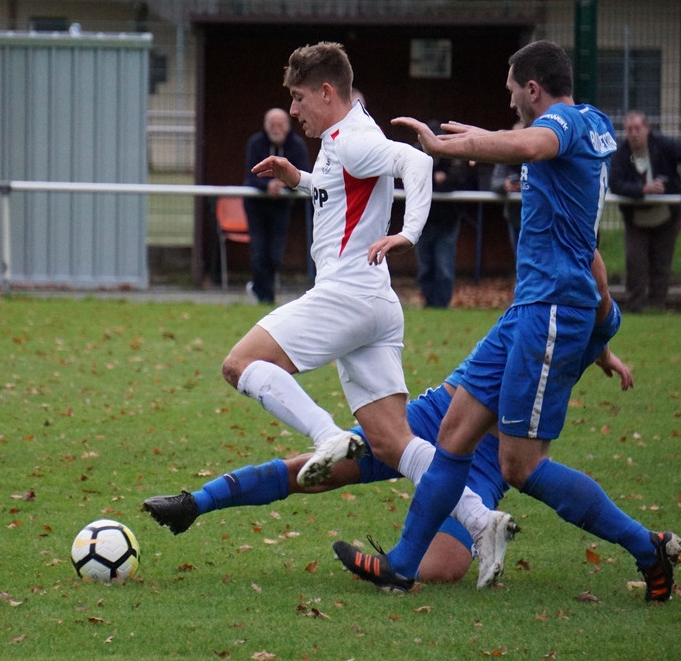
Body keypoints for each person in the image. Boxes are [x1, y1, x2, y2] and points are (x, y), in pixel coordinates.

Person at [335, 39, 680, 603]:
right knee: (454, 433)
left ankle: (649, 546)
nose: (510, 99)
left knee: (519, 463)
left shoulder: (562, 127)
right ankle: (400, 565)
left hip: (548, 316)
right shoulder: (592, 122)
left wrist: (454, 144)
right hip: (530, 314)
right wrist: (602, 341)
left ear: (533, 89)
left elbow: (534, 141)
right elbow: (585, 246)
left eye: (512, 91)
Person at [147, 251, 632, 587]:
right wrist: (605, 352)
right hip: (435, 417)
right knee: (316, 471)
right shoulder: (544, 309)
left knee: (442, 571)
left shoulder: (583, 318)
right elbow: (593, 301)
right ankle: (196, 504)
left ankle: (428, 548)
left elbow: (596, 312)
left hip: (488, 462)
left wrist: (603, 353)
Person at [221, 43, 516, 578]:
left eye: (298, 97)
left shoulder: (354, 137)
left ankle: (324, 435)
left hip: (347, 295)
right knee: (392, 441)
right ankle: (479, 519)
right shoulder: (346, 135)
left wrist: (408, 232)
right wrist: (301, 180)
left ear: (327, 92)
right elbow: (346, 189)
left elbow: (417, 160)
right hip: (376, 303)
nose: (293, 110)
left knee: (239, 365)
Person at [609, 110, 681, 313]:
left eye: (638, 128)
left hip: (666, 217)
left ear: (647, 129)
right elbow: (615, 184)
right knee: (636, 265)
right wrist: (642, 190)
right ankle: (636, 308)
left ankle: (658, 306)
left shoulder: (663, 145)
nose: (633, 133)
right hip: (636, 220)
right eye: (629, 129)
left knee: (662, 265)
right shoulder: (621, 153)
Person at [242, 108, 311, 304]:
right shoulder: (256, 143)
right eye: (272, 125)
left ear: (288, 126)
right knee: (258, 251)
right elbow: (250, 176)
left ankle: (261, 290)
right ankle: (265, 298)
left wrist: (284, 184)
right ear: (265, 127)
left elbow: (302, 174)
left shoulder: (296, 145)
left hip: (281, 206)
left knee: (275, 254)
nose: (276, 129)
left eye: (280, 124)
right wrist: (268, 185)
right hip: (256, 205)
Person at [416, 123, 477, 308]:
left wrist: (436, 181)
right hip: (422, 220)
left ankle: (442, 305)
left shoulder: (453, 155)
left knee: (444, 267)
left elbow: (462, 181)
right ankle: (428, 302)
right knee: (425, 266)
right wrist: (435, 178)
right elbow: (411, 179)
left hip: (448, 220)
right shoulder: (417, 154)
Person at [490, 121, 525, 259]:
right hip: (514, 217)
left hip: (539, 220)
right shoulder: (506, 156)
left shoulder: (540, 154)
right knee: (520, 262)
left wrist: (528, 186)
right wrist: (506, 185)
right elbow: (494, 183)